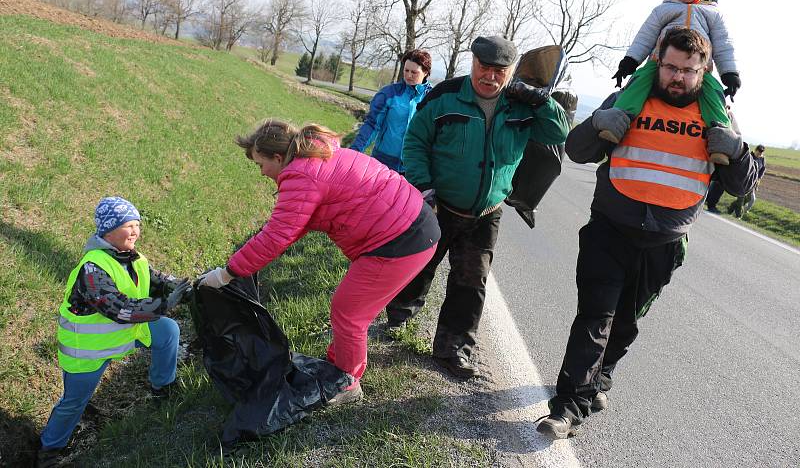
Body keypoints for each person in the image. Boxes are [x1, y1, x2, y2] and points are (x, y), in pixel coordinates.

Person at [536, 28, 757, 439]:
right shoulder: (629, 98)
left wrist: (739, 150)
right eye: (671, 67)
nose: (678, 77)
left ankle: (601, 377)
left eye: (688, 71)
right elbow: (578, 150)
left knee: (626, 322)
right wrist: (597, 123)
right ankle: (567, 408)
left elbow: (744, 185)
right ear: (657, 59)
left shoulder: (717, 114)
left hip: (664, 243)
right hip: (609, 230)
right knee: (594, 317)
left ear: (704, 70)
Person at [197, 120, 439, 404]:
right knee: (350, 306)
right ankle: (337, 364)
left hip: (401, 239)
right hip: (408, 224)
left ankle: (346, 382)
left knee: (349, 311)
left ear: (278, 158)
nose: (262, 173)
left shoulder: (301, 175)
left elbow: (276, 236)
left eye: (261, 164)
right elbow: (290, 228)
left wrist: (227, 273)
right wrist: (242, 265)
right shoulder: (316, 157)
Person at [384, 35, 570, 379]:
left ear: (511, 71)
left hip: (486, 213)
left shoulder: (522, 105)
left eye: (500, 70)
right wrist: (423, 187)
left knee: (471, 281)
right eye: (484, 67)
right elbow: (416, 140)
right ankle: (398, 315)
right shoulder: (445, 96)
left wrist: (541, 101)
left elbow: (559, 133)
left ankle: (454, 348)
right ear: (473, 63)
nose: (490, 76)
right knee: (419, 264)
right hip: (438, 204)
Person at [37, 197, 192, 467]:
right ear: (108, 231)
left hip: (124, 334)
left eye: (137, 225)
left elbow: (158, 280)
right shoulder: (93, 268)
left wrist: (182, 287)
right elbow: (118, 308)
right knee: (75, 402)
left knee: (167, 330)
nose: (135, 231)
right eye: (128, 225)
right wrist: (165, 304)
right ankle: (50, 449)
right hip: (88, 351)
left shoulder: (135, 259)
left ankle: (162, 387)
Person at [611, 0, 738, 135]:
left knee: (714, 94)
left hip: (698, 70)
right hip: (660, 62)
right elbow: (645, 36)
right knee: (637, 84)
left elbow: (723, 45)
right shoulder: (664, 9)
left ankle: (721, 136)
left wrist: (729, 74)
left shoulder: (713, 15)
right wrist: (629, 62)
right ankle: (616, 121)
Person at [350, 49, 433, 172]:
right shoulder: (388, 93)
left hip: (414, 168)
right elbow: (372, 125)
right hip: (383, 162)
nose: (409, 75)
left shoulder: (434, 99)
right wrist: (353, 154)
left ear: (425, 72)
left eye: (414, 72)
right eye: (406, 70)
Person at [728, 144, 766, 217]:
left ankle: (731, 208)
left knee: (749, 199)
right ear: (755, 150)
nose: (759, 155)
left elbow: (763, 169)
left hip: (753, 182)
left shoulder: (762, 159)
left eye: (761, 154)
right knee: (741, 197)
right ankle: (738, 215)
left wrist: (759, 178)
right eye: (758, 153)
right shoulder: (749, 156)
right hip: (744, 180)